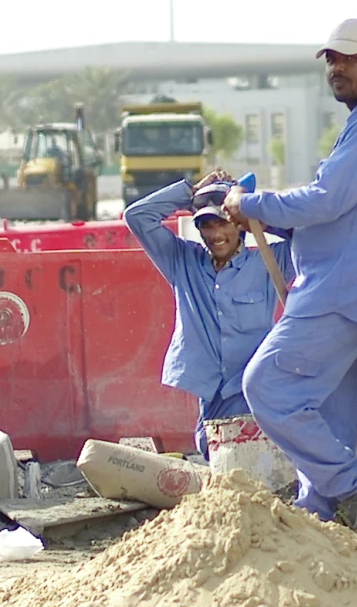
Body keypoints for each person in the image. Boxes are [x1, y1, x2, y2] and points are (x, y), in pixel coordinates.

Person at [223, 18, 357, 536]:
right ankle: (324, 524)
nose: (336, 67)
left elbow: (327, 199)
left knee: (264, 384)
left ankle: (354, 484)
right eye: (331, 59)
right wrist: (268, 219)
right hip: (352, 294)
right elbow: (343, 215)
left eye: (349, 58)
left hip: (335, 293)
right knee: (329, 424)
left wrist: (253, 203)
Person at [123, 169, 294, 460]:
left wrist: (251, 210)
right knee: (208, 448)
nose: (215, 235)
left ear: (238, 226)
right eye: (206, 226)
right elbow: (137, 216)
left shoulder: (268, 260)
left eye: (223, 224)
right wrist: (191, 192)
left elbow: (312, 237)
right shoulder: (182, 261)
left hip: (253, 391)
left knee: (249, 460)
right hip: (210, 393)